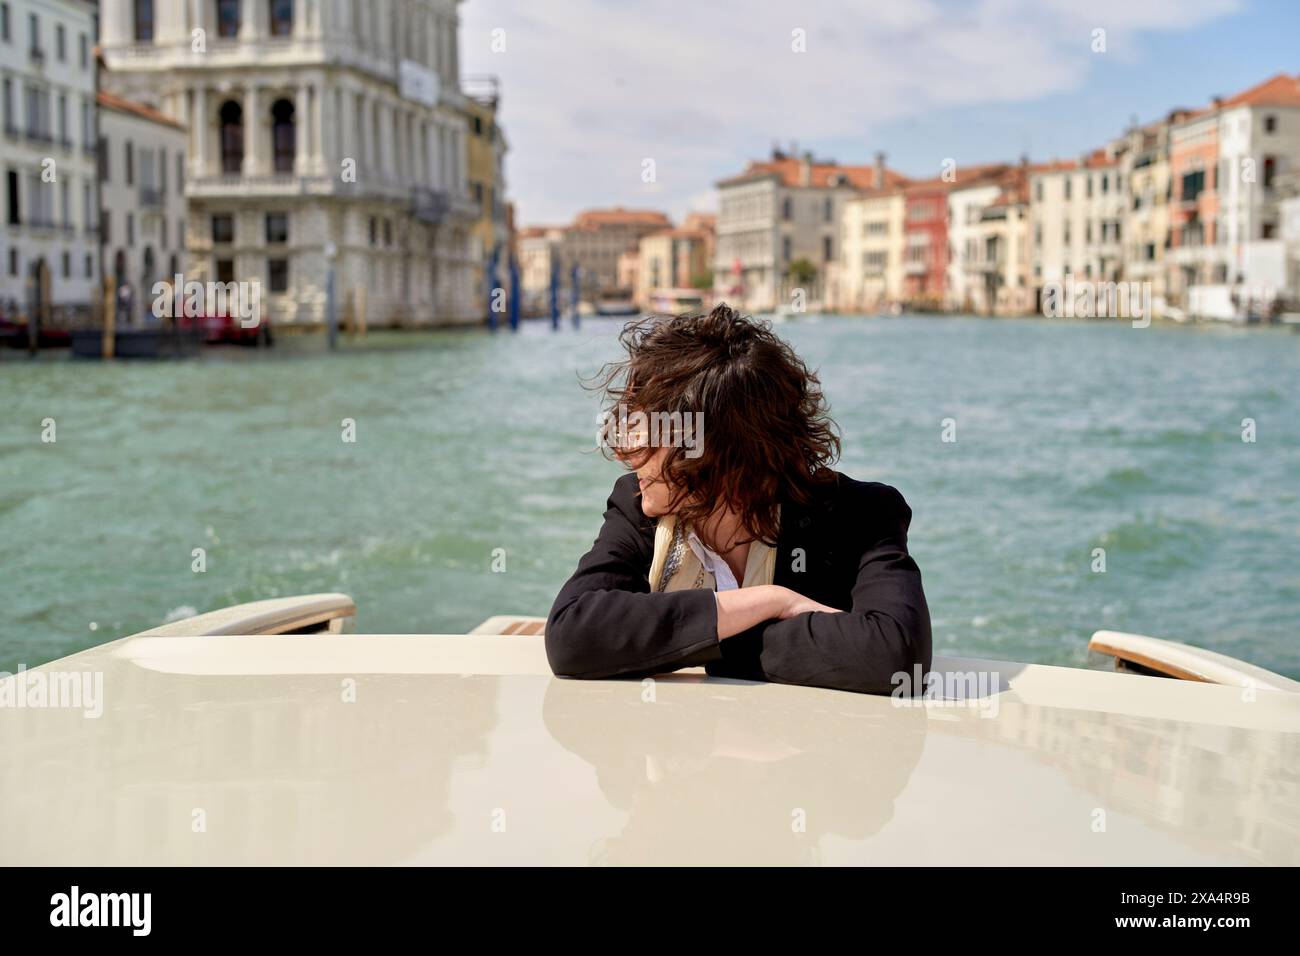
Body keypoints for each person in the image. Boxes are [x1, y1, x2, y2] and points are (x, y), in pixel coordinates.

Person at [546, 303, 931, 695]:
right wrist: (770, 602)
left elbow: (897, 658)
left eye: (645, 430)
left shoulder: (861, 515)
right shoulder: (637, 507)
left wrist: (694, 640)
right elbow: (572, 636)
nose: (623, 450)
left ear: (712, 452)